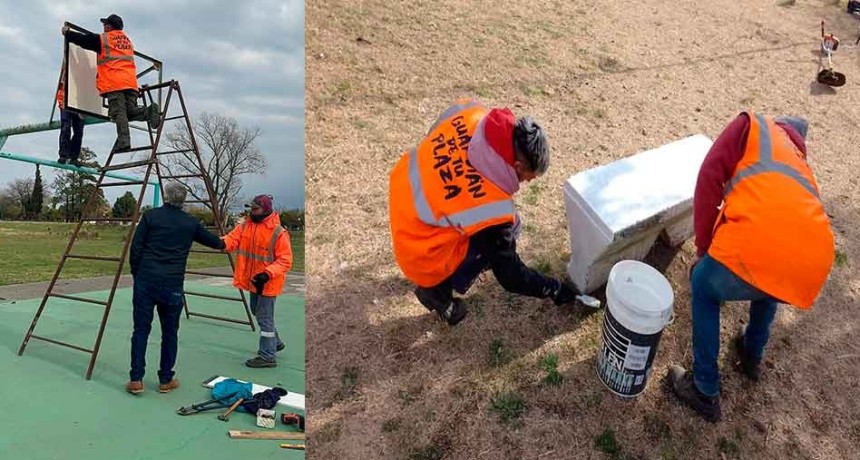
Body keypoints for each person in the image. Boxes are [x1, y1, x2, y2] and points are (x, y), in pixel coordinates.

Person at [667, 112, 835, 422]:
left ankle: (704, 388)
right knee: (769, 281)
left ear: (779, 126)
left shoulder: (753, 127)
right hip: (810, 265)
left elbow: (709, 176)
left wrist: (704, 250)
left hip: (770, 246)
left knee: (703, 284)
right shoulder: (799, 164)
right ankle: (752, 351)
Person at [388, 98, 577, 326]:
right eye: (529, 177)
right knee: (502, 237)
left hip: (404, 198)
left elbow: (433, 134)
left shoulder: (470, 112)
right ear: (518, 167)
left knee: (510, 226)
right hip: (419, 251)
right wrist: (553, 288)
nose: (526, 183)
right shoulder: (492, 210)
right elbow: (511, 277)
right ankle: (437, 292)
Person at [126, 182, 226, 394]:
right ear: (183, 200)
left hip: (146, 280)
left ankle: (136, 379)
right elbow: (216, 243)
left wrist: (138, 273)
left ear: (165, 196)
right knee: (170, 333)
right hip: (172, 284)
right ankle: (165, 379)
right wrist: (230, 239)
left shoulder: (151, 217)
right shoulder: (190, 223)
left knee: (141, 329)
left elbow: (136, 248)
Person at [61, 14, 160, 153]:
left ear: (109, 26)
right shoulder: (127, 41)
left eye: (105, 24)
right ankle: (148, 111)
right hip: (131, 83)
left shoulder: (105, 39)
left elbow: (85, 40)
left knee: (118, 113)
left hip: (115, 84)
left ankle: (124, 141)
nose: (103, 27)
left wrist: (68, 33)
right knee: (129, 112)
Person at [222, 194, 293, 368]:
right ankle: (275, 343)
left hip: (268, 282)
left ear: (266, 210)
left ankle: (268, 355)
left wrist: (267, 274)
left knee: (264, 317)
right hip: (254, 281)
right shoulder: (246, 225)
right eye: (251, 208)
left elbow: (285, 260)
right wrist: (216, 243)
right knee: (256, 310)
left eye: (256, 208)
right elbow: (231, 240)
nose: (252, 211)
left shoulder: (278, 233)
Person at [56, 75, 85, 166]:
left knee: (79, 131)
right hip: (65, 102)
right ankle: (64, 155)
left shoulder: (84, 76)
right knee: (66, 127)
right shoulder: (68, 70)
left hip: (79, 104)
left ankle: (74, 157)